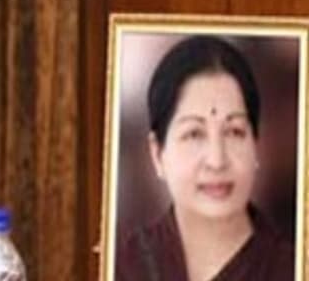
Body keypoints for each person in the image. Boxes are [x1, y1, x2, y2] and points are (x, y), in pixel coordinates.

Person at [115, 35, 294, 280]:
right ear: (156, 154)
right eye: (194, 134)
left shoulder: (291, 266)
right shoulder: (120, 266)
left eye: (234, 132)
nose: (216, 161)